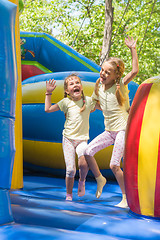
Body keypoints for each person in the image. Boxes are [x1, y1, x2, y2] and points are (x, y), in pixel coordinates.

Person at [84, 36, 139, 207]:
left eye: (108, 72)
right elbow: (97, 106)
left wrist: (132, 49)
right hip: (109, 132)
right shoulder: (98, 86)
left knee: (114, 165)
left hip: (123, 130)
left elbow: (135, 71)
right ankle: (100, 178)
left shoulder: (120, 85)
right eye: (102, 70)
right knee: (87, 151)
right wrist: (86, 107)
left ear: (116, 75)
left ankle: (125, 198)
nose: (103, 74)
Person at [45, 73, 105, 201]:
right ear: (67, 91)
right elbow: (48, 109)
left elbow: (104, 108)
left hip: (82, 140)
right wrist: (48, 93)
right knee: (71, 170)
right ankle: (69, 195)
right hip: (68, 139)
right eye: (71, 84)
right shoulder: (65, 102)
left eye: (77, 83)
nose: (75, 85)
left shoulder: (88, 101)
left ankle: (82, 181)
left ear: (81, 87)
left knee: (83, 164)